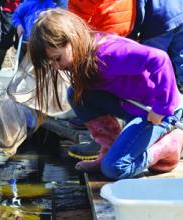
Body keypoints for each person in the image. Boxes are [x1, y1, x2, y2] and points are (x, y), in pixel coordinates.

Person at [28, 8, 183, 179]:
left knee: (115, 168)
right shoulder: (83, 55)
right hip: (133, 106)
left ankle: (169, 145)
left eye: (57, 59)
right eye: (51, 63)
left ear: (71, 40)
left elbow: (159, 59)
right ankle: (108, 149)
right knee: (77, 94)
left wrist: (163, 107)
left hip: (159, 112)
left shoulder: (109, 53)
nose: (57, 67)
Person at [67, 0, 136, 160]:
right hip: (120, 27)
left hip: (101, 34)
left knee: (78, 93)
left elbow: (78, 18)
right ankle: (115, 140)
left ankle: (107, 142)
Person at [129, 0, 183, 143]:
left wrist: (133, 34)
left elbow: (138, 6)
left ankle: (153, 129)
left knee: (152, 71)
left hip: (158, 20)